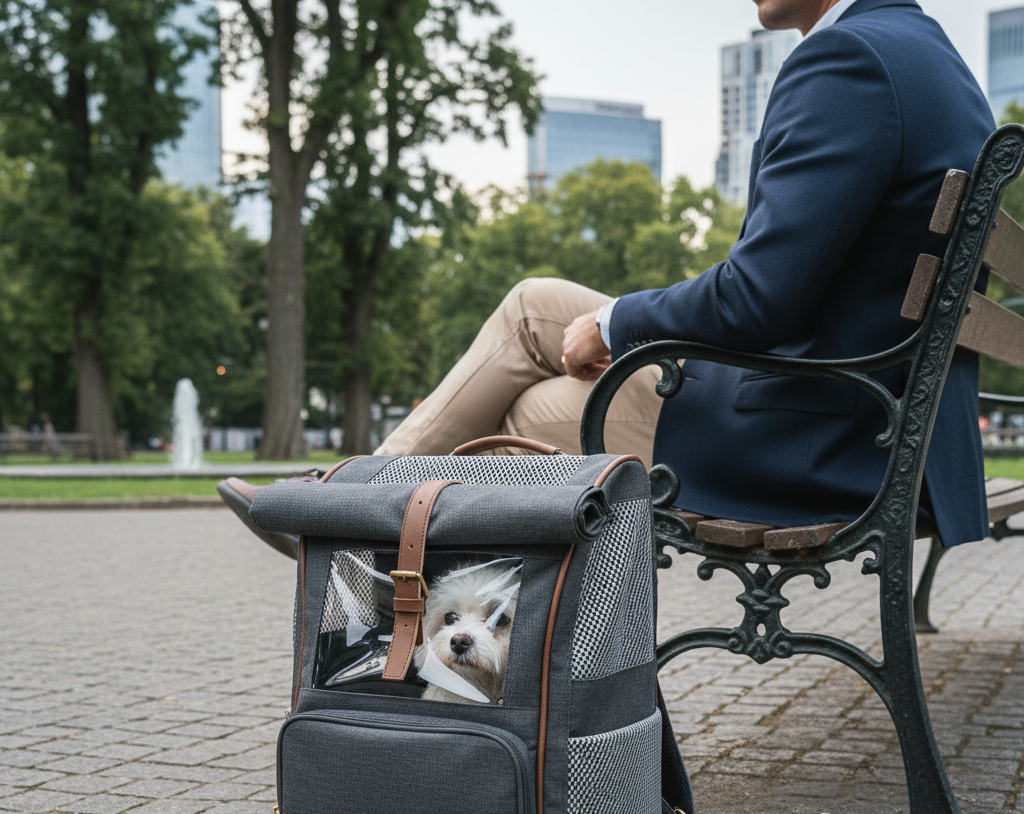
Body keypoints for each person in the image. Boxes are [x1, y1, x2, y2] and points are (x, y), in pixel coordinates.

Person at [223, 0, 996, 553]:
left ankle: (354, 531)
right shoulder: (935, 62)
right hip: (886, 418)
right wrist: (623, 318)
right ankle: (353, 500)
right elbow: (793, 277)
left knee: (528, 414)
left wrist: (622, 323)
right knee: (534, 304)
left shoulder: (846, 60)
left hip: (816, 436)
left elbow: (760, 298)